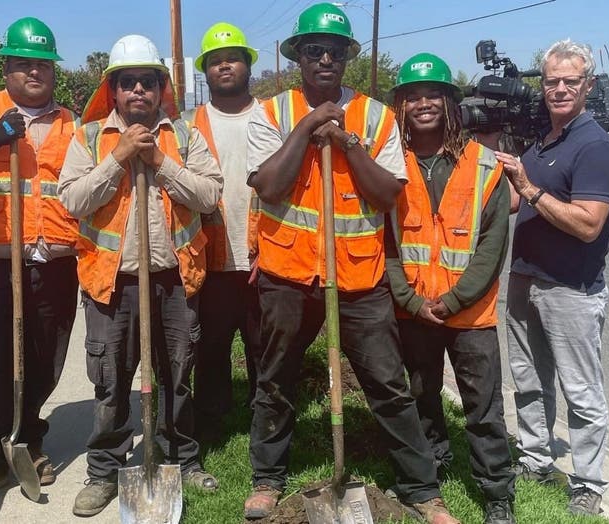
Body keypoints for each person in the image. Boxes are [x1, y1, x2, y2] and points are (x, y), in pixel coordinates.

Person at [242, 5, 458, 523]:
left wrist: (345, 141)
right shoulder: (271, 114)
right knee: (276, 378)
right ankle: (268, 479)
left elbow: (386, 194)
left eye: (334, 52)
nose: (324, 59)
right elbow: (269, 186)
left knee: (386, 381)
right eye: (313, 50)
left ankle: (422, 490)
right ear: (297, 57)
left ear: (345, 59)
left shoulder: (376, 116)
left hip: (359, 276)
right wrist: (310, 126)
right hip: (288, 273)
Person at [58, 34, 224, 517]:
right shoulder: (89, 138)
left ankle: (180, 459)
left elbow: (210, 195)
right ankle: (105, 471)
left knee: (177, 375)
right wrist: (120, 156)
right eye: (127, 82)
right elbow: (73, 201)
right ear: (113, 90)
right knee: (110, 380)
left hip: (174, 280)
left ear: (159, 88)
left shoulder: (186, 137)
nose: (137, 92)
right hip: (112, 283)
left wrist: (157, 161)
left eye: (146, 83)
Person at [494, 39, 609, 517]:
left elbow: (589, 224)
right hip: (526, 279)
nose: (561, 89)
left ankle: (588, 482)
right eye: (552, 81)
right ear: (543, 85)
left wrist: (528, 188)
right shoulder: (544, 141)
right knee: (528, 379)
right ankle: (535, 457)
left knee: (581, 391)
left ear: (588, 85)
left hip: (571, 289)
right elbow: (511, 202)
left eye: (571, 81)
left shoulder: (594, 146)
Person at [387, 52, 516, 524]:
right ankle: (432, 470)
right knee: (421, 398)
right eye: (413, 96)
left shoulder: (483, 165)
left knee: (483, 409)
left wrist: (453, 299)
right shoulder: (390, 163)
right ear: (400, 105)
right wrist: (411, 300)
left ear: (449, 102)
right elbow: (386, 242)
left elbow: (492, 244)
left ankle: (497, 493)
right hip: (414, 310)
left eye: (433, 95)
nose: (423, 104)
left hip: (471, 315)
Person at [0, 17, 80, 507]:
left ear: (54, 71)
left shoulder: (74, 123)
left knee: (45, 359)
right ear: (6, 66)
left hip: (52, 261)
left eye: (43, 64)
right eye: (23, 63)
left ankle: (29, 440)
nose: (34, 72)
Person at [186, 22, 262, 442]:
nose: (224, 66)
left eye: (232, 57)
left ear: (248, 64)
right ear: (206, 71)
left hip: (260, 254)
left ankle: (263, 418)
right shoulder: (189, 123)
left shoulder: (269, 117)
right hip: (211, 256)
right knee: (210, 345)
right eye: (215, 61)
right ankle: (212, 421)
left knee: (262, 345)